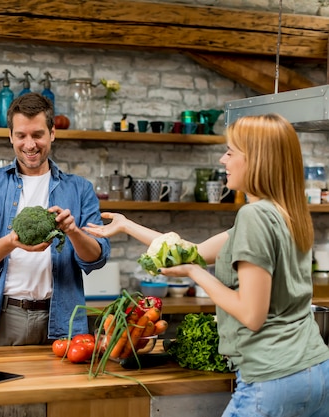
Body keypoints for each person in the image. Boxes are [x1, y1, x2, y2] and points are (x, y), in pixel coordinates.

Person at [83, 113, 329, 417]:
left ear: (256, 160)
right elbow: (190, 251)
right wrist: (127, 225)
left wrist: (195, 274)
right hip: (316, 373)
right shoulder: (287, 214)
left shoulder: (254, 217)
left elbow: (252, 314)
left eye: (230, 152)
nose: (223, 159)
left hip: (273, 377)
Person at [0, 92, 110, 347]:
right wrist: (12, 242)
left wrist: (73, 231)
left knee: (58, 389)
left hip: (60, 319)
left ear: (52, 133)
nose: (30, 144)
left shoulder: (80, 189)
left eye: (37, 134)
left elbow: (97, 258)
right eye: (21, 135)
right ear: (10, 136)